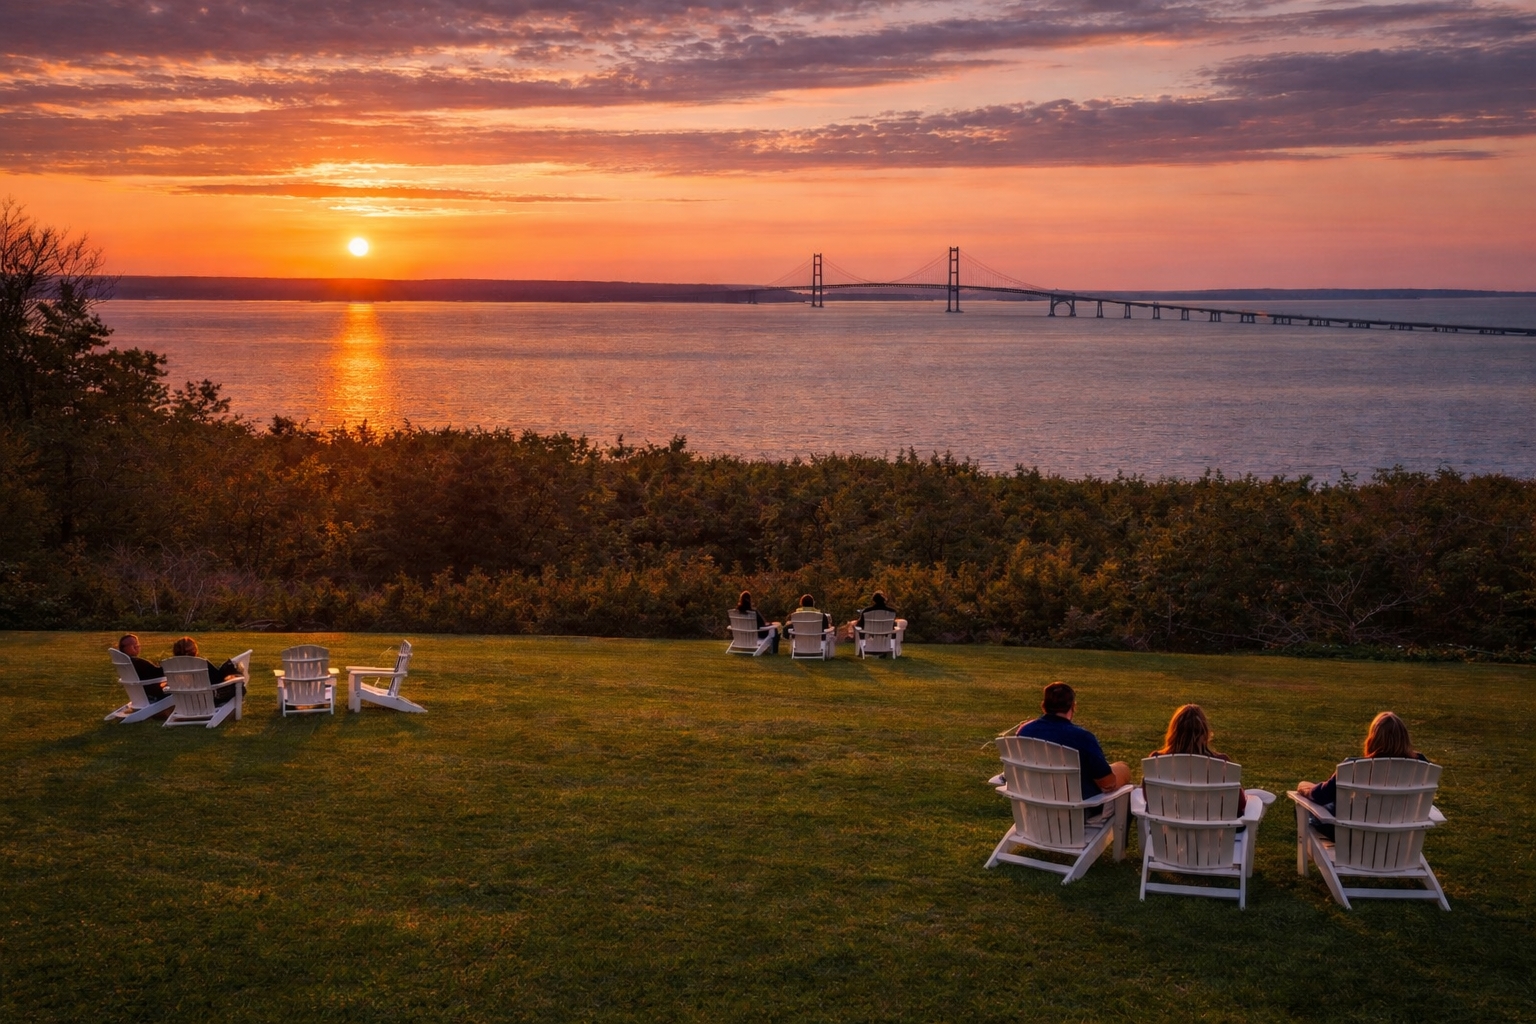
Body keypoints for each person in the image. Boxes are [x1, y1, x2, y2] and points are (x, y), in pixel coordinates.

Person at [1295, 711, 1428, 840]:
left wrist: (1303, 786)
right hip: (1399, 838)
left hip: (1355, 837)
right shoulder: (1421, 765)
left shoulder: (1353, 766)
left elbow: (1320, 796)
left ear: (1372, 739)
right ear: (1404, 738)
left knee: (1302, 808)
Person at [1013, 682, 1132, 804]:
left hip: (1035, 805)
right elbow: (1108, 784)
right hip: (1077, 808)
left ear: (1043, 706)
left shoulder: (1025, 731)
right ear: (1073, 706)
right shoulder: (1082, 737)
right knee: (1122, 769)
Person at [1146, 704, 1247, 815]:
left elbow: (1149, 798)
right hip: (1213, 830)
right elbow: (1240, 804)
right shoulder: (1221, 762)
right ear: (1205, 733)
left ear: (1173, 732)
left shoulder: (1156, 760)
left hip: (1167, 830)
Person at [170, 637, 245, 706]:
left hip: (186, 702)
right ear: (195, 650)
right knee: (239, 686)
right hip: (208, 700)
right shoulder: (202, 664)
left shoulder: (171, 666)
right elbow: (217, 680)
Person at [116, 633, 169, 703]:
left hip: (140, 695)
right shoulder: (137, 663)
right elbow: (159, 673)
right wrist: (169, 665)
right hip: (153, 694)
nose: (137, 646)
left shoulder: (127, 663)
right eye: (134, 645)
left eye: (137, 644)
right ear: (125, 648)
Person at [734, 591, 780, 655]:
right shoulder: (753, 612)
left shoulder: (736, 612)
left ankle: (772, 651)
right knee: (775, 629)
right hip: (758, 633)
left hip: (744, 634)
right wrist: (770, 625)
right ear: (749, 600)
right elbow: (762, 623)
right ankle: (774, 651)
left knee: (772, 627)